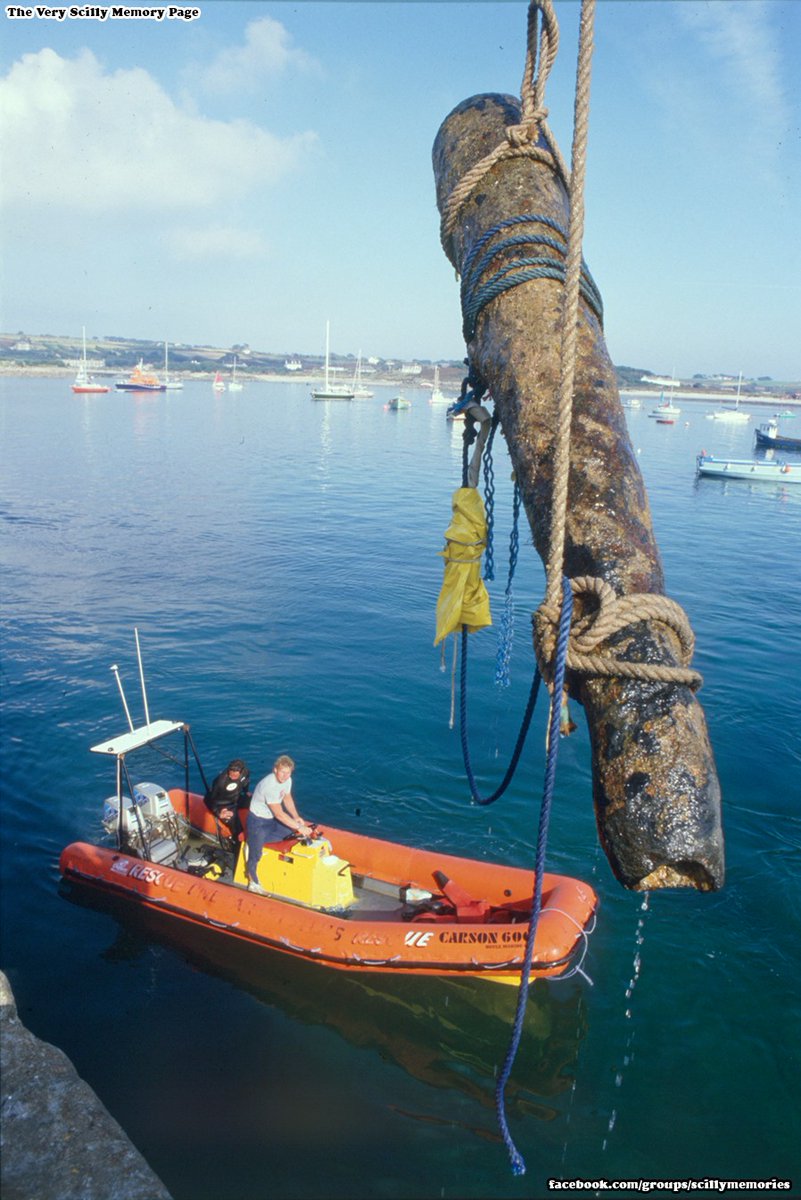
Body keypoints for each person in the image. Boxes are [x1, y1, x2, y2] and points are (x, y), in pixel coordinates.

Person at [245, 755, 313, 893]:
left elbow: (287, 797)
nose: (285, 776)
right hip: (257, 821)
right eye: (282, 772)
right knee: (255, 854)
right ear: (275, 770)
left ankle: (256, 843)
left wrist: (296, 817)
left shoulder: (287, 780)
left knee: (290, 833)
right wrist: (300, 827)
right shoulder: (269, 786)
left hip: (271, 821)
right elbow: (279, 814)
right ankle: (252, 882)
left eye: (288, 772)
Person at [204, 759, 251, 847]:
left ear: (241, 771)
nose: (232, 774)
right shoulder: (220, 781)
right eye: (231, 771)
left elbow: (246, 781)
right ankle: (237, 847)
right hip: (222, 804)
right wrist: (218, 813)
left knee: (254, 801)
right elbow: (210, 799)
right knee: (236, 827)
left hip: (236, 798)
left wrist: (246, 791)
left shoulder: (245, 772)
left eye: (236, 772)